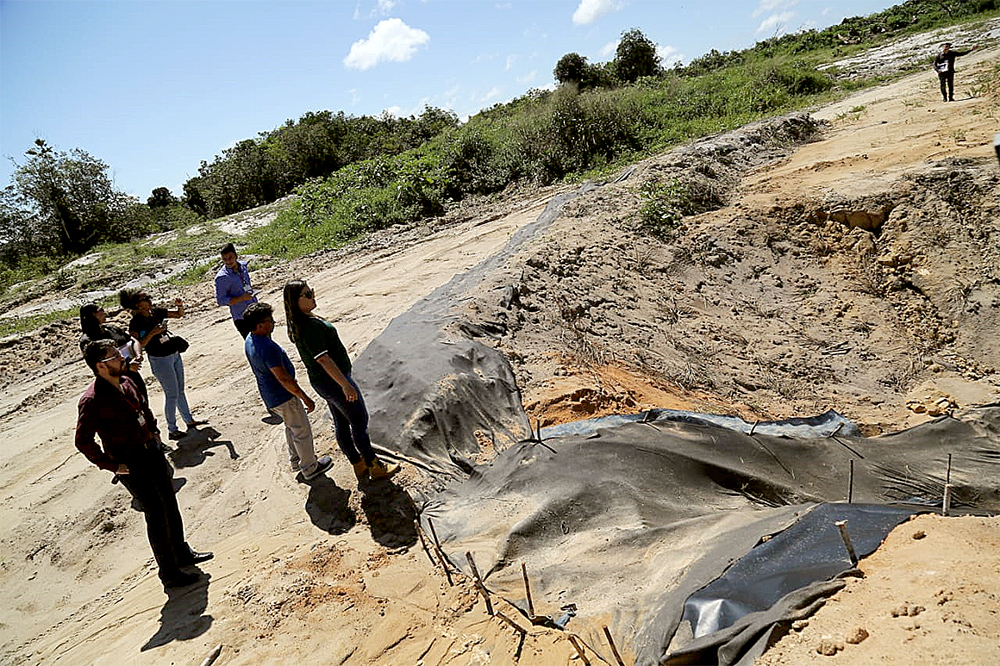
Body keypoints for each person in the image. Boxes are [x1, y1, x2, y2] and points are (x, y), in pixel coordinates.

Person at [76, 339, 213, 590]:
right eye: (114, 357)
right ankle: (169, 573)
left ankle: (182, 553)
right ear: (100, 366)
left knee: (169, 504)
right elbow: (83, 441)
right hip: (130, 463)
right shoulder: (92, 400)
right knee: (156, 514)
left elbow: (144, 409)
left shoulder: (127, 382)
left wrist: (155, 432)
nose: (121, 358)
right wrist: (111, 466)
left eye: (119, 353)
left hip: (152, 452)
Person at [283, 279, 399, 484]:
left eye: (312, 291)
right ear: (295, 301)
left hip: (324, 382)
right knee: (359, 421)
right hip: (334, 381)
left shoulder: (301, 323)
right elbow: (323, 359)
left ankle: (358, 463)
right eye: (307, 294)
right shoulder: (310, 327)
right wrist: (345, 384)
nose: (312, 296)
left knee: (342, 422)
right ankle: (375, 466)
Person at [243, 302, 333, 481]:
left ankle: (296, 460)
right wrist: (304, 397)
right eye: (270, 320)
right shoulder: (267, 348)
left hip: (271, 397)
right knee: (301, 430)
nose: (274, 323)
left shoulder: (250, 340)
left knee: (292, 428)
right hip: (283, 396)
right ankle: (310, 467)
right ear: (260, 325)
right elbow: (283, 378)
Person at [120, 288, 205, 440]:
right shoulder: (136, 323)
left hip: (173, 353)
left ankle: (189, 420)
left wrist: (179, 306)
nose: (149, 300)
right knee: (171, 394)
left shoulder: (156, 312)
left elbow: (179, 315)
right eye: (145, 299)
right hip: (159, 359)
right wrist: (153, 333)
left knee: (179, 389)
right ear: (138, 305)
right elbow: (137, 344)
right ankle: (172, 429)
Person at [79, 302, 148, 399]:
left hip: (132, 372)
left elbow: (132, 340)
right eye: (101, 310)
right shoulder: (88, 340)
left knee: (142, 402)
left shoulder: (111, 328)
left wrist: (138, 354)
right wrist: (127, 367)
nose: (105, 313)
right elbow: (96, 364)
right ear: (93, 315)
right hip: (113, 379)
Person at [215, 243, 258, 338]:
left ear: (236, 256)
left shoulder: (243, 266)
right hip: (242, 317)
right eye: (225, 259)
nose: (228, 262)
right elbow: (221, 301)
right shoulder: (222, 277)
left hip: (255, 310)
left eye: (230, 258)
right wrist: (241, 298)